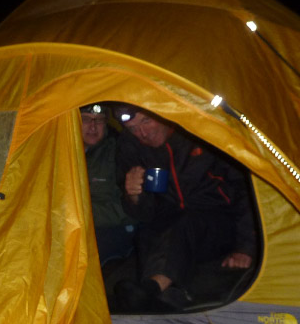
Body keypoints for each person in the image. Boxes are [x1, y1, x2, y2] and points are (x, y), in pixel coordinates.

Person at [114, 105, 256, 311]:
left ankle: (151, 289)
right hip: (172, 223)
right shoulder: (130, 146)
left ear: (165, 115)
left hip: (221, 222)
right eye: (133, 128)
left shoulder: (200, 132)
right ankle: (164, 298)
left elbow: (247, 191)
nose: (142, 133)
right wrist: (133, 196)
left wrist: (246, 247)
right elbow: (145, 213)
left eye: (146, 121)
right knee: (147, 234)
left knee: (186, 223)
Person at [80, 103, 136, 265]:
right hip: (73, 225)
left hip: (111, 228)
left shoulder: (120, 152)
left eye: (99, 121)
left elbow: (130, 209)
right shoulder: (62, 150)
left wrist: (82, 214)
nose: (93, 126)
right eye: (86, 119)